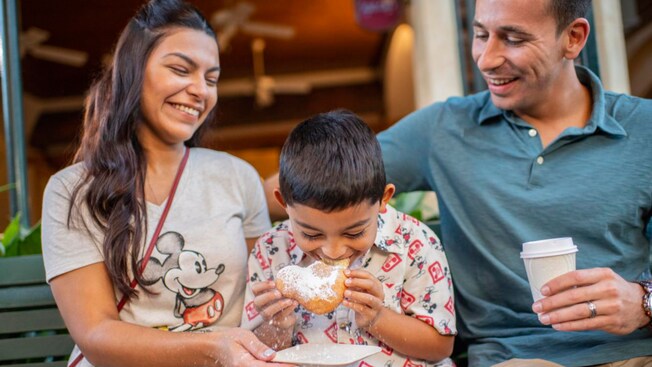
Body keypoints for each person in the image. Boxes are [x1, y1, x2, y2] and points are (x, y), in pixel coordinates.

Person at [264, 1, 652, 366]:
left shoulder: (644, 128)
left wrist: (643, 301)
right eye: (481, 34)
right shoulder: (441, 130)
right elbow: (301, 185)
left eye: (513, 39)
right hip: (515, 358)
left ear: (574, 38)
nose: (487, 58)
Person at [40, 1, 293, 366]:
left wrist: (278, 323)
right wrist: (213, 347)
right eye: (180, 69)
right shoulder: (71, 190)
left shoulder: (238, 177)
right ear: (133, 71)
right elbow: (95, 334)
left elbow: (261, 314)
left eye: (211, 79)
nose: (199, 90)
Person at [244, 110, 456, 367]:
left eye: (354, 233)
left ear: (383, 199)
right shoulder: (270, 250)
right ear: (283, 204)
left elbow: (440, 346)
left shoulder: (416, 243)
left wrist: (378, 318)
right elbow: (255, 351)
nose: (333, 251)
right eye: (311, 234)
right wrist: (276, 325)